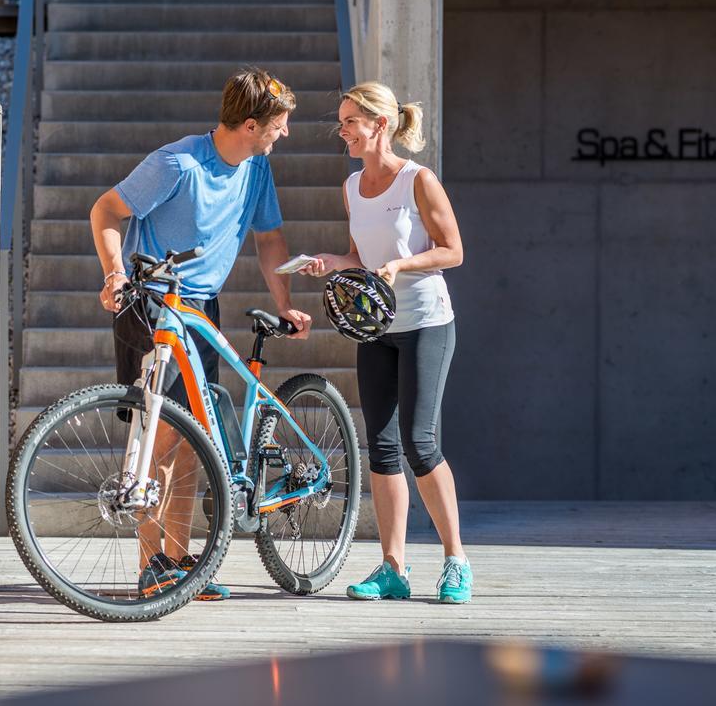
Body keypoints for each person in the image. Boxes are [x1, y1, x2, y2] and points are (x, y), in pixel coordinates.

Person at [89, 67, 313, 602]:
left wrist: (286, 304)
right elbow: (106, 210)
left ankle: (180, 560)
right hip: (150, 303)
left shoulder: (257, 169)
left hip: (201, 310)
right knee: (160, 439)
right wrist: (114, 274)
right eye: (279, 125)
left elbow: (269, 238)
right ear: (252, 123)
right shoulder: (178, 162)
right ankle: (152, 568)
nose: (285, 135)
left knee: (193, 444)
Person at [302, 81, 472, 604]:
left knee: (420, 443)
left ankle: (456, 560)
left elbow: (453, 251)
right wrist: (332, 264)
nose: (343, 130)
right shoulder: (352, 186)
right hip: (375, 328)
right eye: (341, 120)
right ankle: (392, 567)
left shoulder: (418, 180)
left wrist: (403, 263)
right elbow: (360, 256)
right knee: (380, 447)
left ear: (380, 124)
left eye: (350, 120)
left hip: (426, 323)